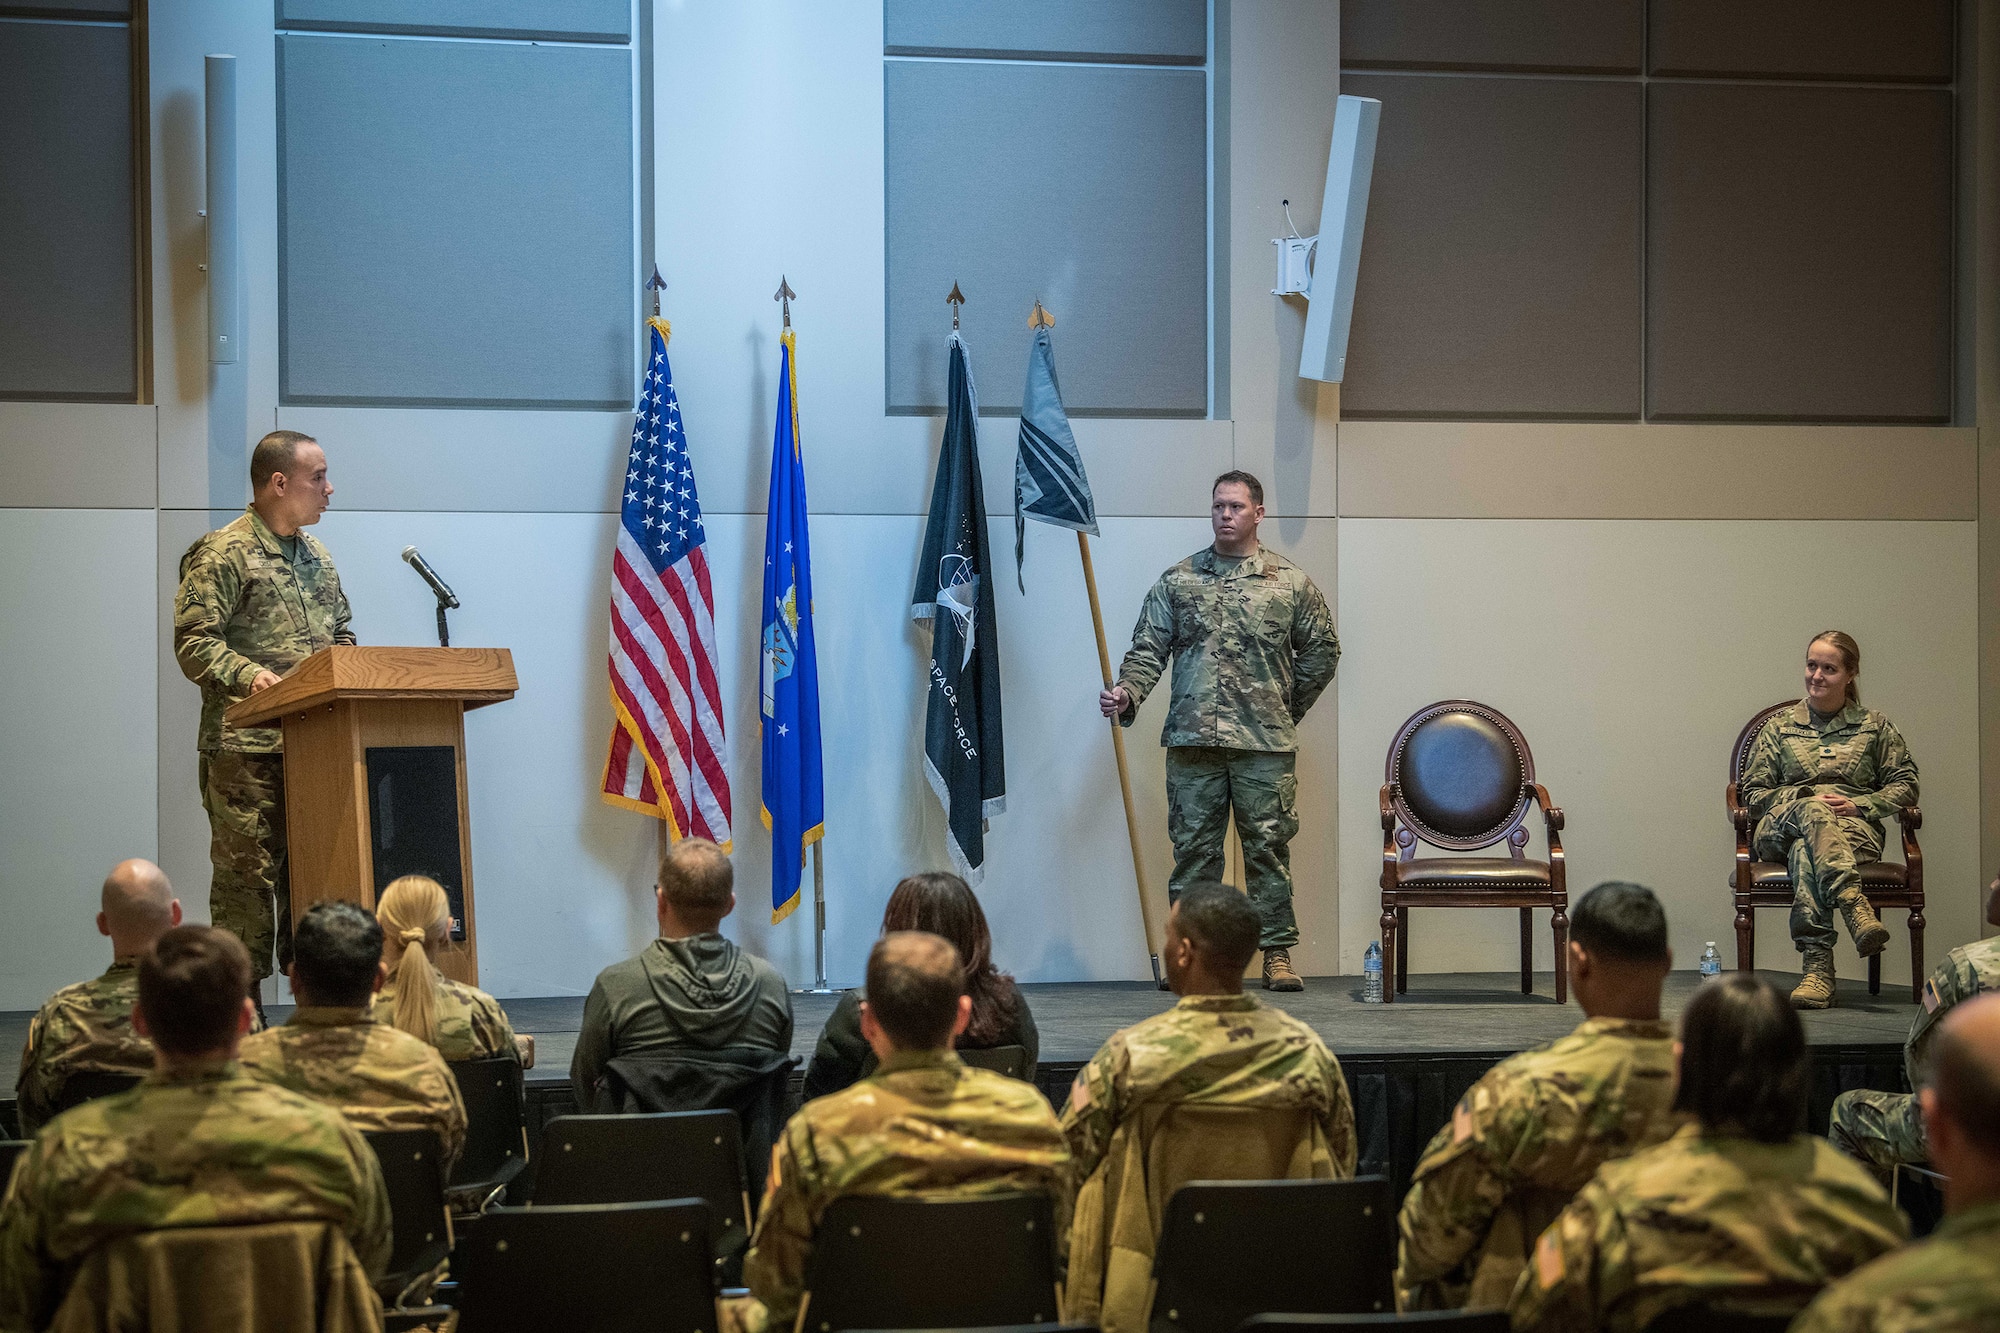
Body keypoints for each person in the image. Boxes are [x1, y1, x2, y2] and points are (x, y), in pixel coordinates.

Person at [0, 926, 390, 1332]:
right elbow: (372, 1266)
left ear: (140, 1021)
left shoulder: (64, 1154)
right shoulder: (330, 1144)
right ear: (245, 1019)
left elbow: (17, 1303)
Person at [1508, 974, 1905, 1332]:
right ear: (1800, 1071)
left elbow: (1531, 1317)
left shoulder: (1616, 1207)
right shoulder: (1864, 1210)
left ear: (1681, 1068)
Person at [739, 932, 1068, 1332]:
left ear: (867, 1022)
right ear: (962, 1015)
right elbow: (1068, 1255)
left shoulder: (819, 1133)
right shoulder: (1031, 1119)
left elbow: (774, 1285)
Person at [1063, 883, 1355, 1331]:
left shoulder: (1128, 1059)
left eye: (1166, 935)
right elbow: (1342, 1163)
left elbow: (1068, 1163)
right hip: (1283, 1292)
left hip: (1150, 1296)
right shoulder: (1308, 1055)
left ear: (1183, 952)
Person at [1099, 471, 1339, 991]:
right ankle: (1193, 956)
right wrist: (1128, 693)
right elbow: (1147, 651)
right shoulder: (1178, 581)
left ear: (1258, 513)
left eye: (1235, 507)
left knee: (1268, 851)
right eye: (1217, 507)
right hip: (1193, 745)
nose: (1225, 515)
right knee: (1194, 855)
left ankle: (1276, 955)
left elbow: (1323, 650)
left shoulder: (1289, 583)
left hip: (1263, 748)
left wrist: (1282, 708)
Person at [1396, 881, 1683, 1313]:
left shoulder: (1522, 1092)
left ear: (1578, 961)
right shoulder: (1719, 1089)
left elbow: (1429, 1240)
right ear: (1666, 964)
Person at [174, 429, 354, 989]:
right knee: (246, 893)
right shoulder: (223, 552)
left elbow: (342, 634)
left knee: (315, 890)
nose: (330, 489)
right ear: (279, 483)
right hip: (244, 757)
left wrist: (347, 668)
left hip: (312, 749)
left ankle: (317, 1025)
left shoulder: (317, 558)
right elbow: (194, 641)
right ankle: (237, 1031)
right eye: (318, 477)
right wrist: (251, 675)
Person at [1792, 992, 2000, 1333]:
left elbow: (1917, 1053)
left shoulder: (1860, 1313)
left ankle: (1855, 1255)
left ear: (1938, 1128)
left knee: (1850, 1110)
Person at [1738, 630, 1918, 1009]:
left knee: (1809, 850)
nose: (1816, 675)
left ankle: (1818, 968)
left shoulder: (1875, 727)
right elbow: (1752, 797)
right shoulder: (1780, 727)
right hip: (1779, 830)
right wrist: (1805, 797)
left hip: (1852, 832)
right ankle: (1854, 905)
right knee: (1812, 813)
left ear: (1850, 674)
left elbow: (1906, 784)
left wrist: (1862, 806)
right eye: (1811, 665)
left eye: (1829, 668)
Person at [238, 900, 466, 1173]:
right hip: (407, 1215)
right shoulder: (425, 1069)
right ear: (378, 980)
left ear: (294, 979)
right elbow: (450, 1155)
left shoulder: (244, 1068)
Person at [570, 837, 792, 1106]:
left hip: (638, 1147)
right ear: (729, 904)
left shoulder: (617, 987)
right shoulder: (769, 986)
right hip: (739, 1149)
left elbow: (586, 1085)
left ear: (661, 902)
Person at [803, 871, 1038, 1099]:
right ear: (975, 931)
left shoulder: (862, 1007)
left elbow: (819, 1096)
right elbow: (1025, 1076)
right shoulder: (1008, 1003)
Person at [1829, 874, 2000, 1180]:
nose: (1991, 885)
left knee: (1848, 1112)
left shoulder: (1967, 966)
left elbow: (1921, 1052)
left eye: (1998, 879)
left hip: (1981, 1128)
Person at [15, 859, 185, 1137]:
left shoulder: (63, 1014)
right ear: (175, 914)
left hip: (87, 1173)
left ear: (103, 924)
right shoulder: (219, 1008)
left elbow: (34, 1124)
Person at [372, 873, 521, 1063]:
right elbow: (511, 1083)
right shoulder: (480, 1011)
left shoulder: (359, 1015)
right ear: (446, 930)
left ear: (379, 927)